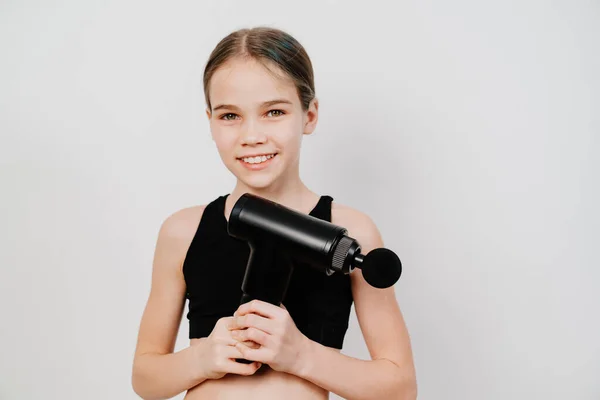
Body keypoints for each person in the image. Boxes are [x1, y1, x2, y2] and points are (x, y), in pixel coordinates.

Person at [131, 26, 417, 400]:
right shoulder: (183, 231)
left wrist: (300, 356)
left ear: (309, 115)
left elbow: (400, 388)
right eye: (230, 116)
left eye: (274, 112)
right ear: (210, 121)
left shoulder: (350, 232)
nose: (251, 136)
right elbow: (146, 379)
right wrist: (202, 358)